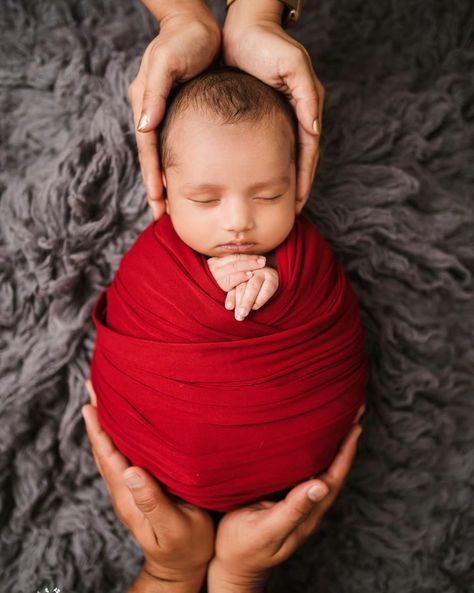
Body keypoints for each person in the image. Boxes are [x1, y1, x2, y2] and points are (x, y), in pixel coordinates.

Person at [128, 0, 324, 222]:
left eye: (269, 196)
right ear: (166, 186)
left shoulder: (302, 246)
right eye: (205, 199)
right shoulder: (158, 246)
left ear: (294, 176)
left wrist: (258, 14)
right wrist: (178, 14)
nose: (238, 223)